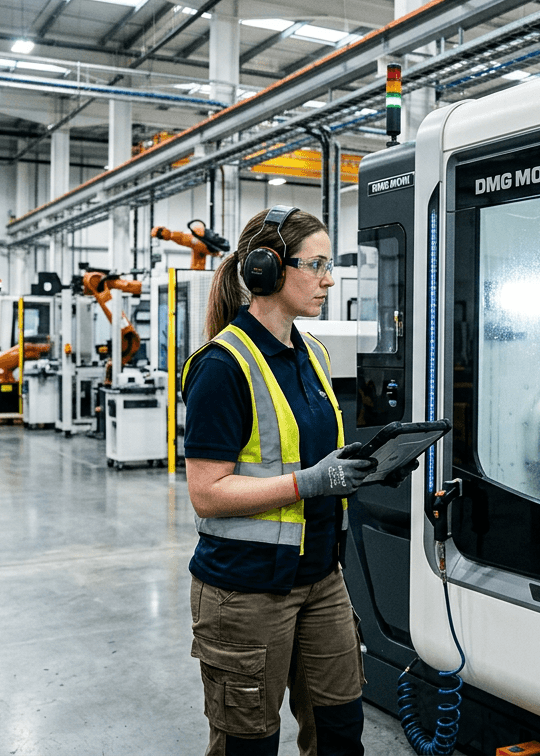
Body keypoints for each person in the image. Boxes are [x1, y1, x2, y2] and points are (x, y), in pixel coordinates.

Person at [182, 207, 376, 756]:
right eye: (316, 264)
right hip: (246, 589)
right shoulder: (223, 366)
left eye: (329, 265)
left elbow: (307, 455)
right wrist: (309, 483)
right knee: (249, 745)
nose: (328, 279)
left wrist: (364, 467)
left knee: (341, 734)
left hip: (322, 578)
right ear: (266, 269)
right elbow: (207, 493)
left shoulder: (312, 355)